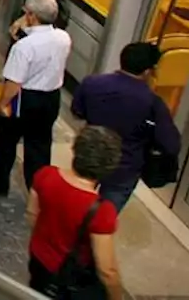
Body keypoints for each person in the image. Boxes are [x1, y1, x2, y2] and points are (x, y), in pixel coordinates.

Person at [0, 0, 72, 195]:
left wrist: (2, 104)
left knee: (6, 139)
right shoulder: (64, 38)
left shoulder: (24, 46)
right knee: (39, 146)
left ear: (31, 15)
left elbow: (14, 82)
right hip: (51, 98)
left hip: (25, 98)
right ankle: (37, 192)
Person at [71, 42, 181, 212]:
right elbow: (171, 144)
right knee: (102, 217)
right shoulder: (152, 103)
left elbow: (77, 112)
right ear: (147, 71)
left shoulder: (92, 83)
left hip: (89, 155)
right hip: (124, 168)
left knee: (75, 204)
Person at [25, 125, 124, 300]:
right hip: (69, 277)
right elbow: (107, 271)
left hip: (39, 259)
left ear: (76, 150)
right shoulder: (102, 211)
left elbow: (32, 214)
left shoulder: (45, 175)